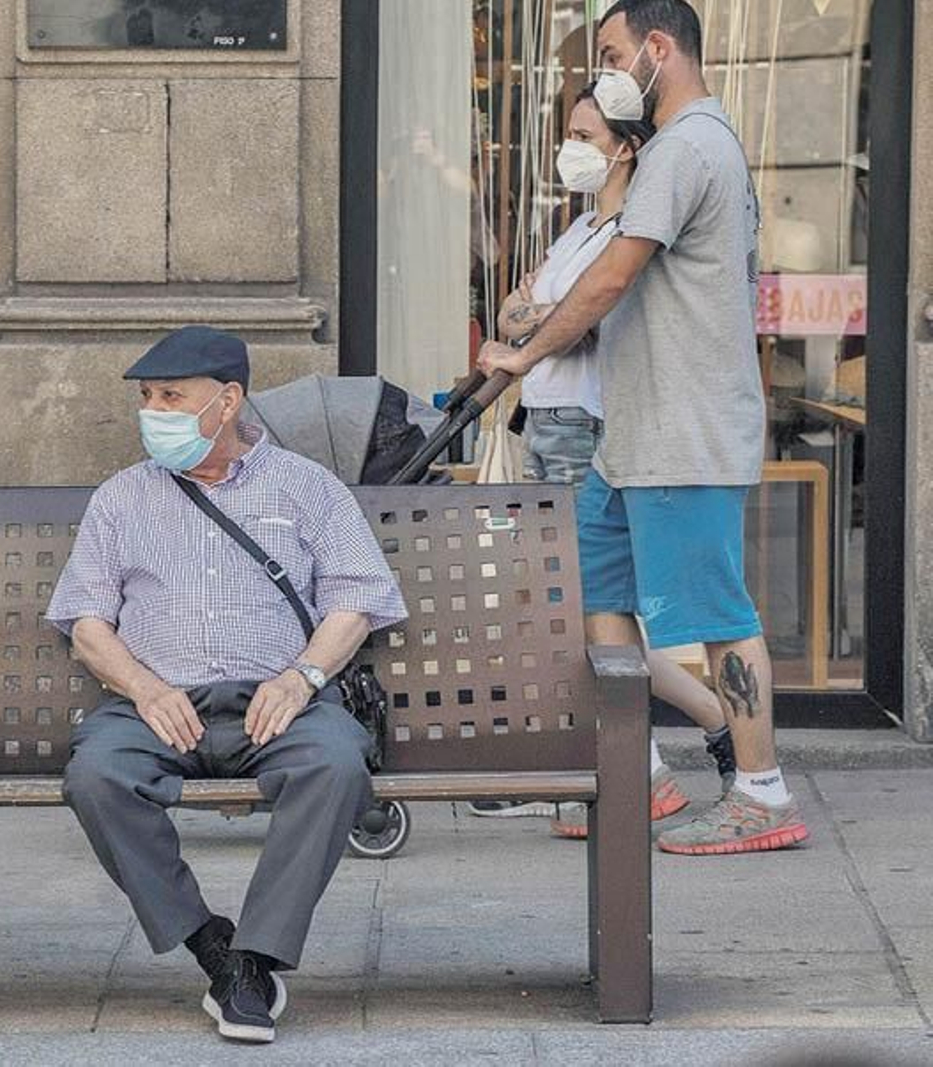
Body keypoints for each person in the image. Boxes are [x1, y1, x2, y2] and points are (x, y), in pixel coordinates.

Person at [478, 0, 808, 855]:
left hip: (683, 431)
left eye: (618, 54)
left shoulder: (687, 148)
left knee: (718, 615)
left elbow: (609, 282)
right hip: (634, 437)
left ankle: (762, 792)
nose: (612, 71)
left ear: (660, 50)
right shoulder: (686, 149)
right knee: (595, 601)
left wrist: (524, 353)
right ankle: (640, 773)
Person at [47, 326, 407, 1043]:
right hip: (154, 704)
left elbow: (357, 600)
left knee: (336, 764)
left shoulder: (306, 486)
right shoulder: (122, 498)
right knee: (96, 776)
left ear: (228, 400)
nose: (155, 411)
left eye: (172, 397)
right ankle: (210, 944)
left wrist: (302, 678)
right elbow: (85, 622)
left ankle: (258, 954)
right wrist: (145, 688)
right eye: (147, 398)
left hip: (276, 699)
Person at [469, 82, 740, 836]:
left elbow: (579, 320)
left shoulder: (630, 233)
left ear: (625, 146)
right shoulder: (580, 227)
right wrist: (539, 318)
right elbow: (518, 312)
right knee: (574, 612)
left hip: (583, 425)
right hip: (546, 422)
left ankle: (625, 769)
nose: (571, 149)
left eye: (585, 135)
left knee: (569, 611)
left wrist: (540, 319)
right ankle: (707, 723)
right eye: (569, 133)